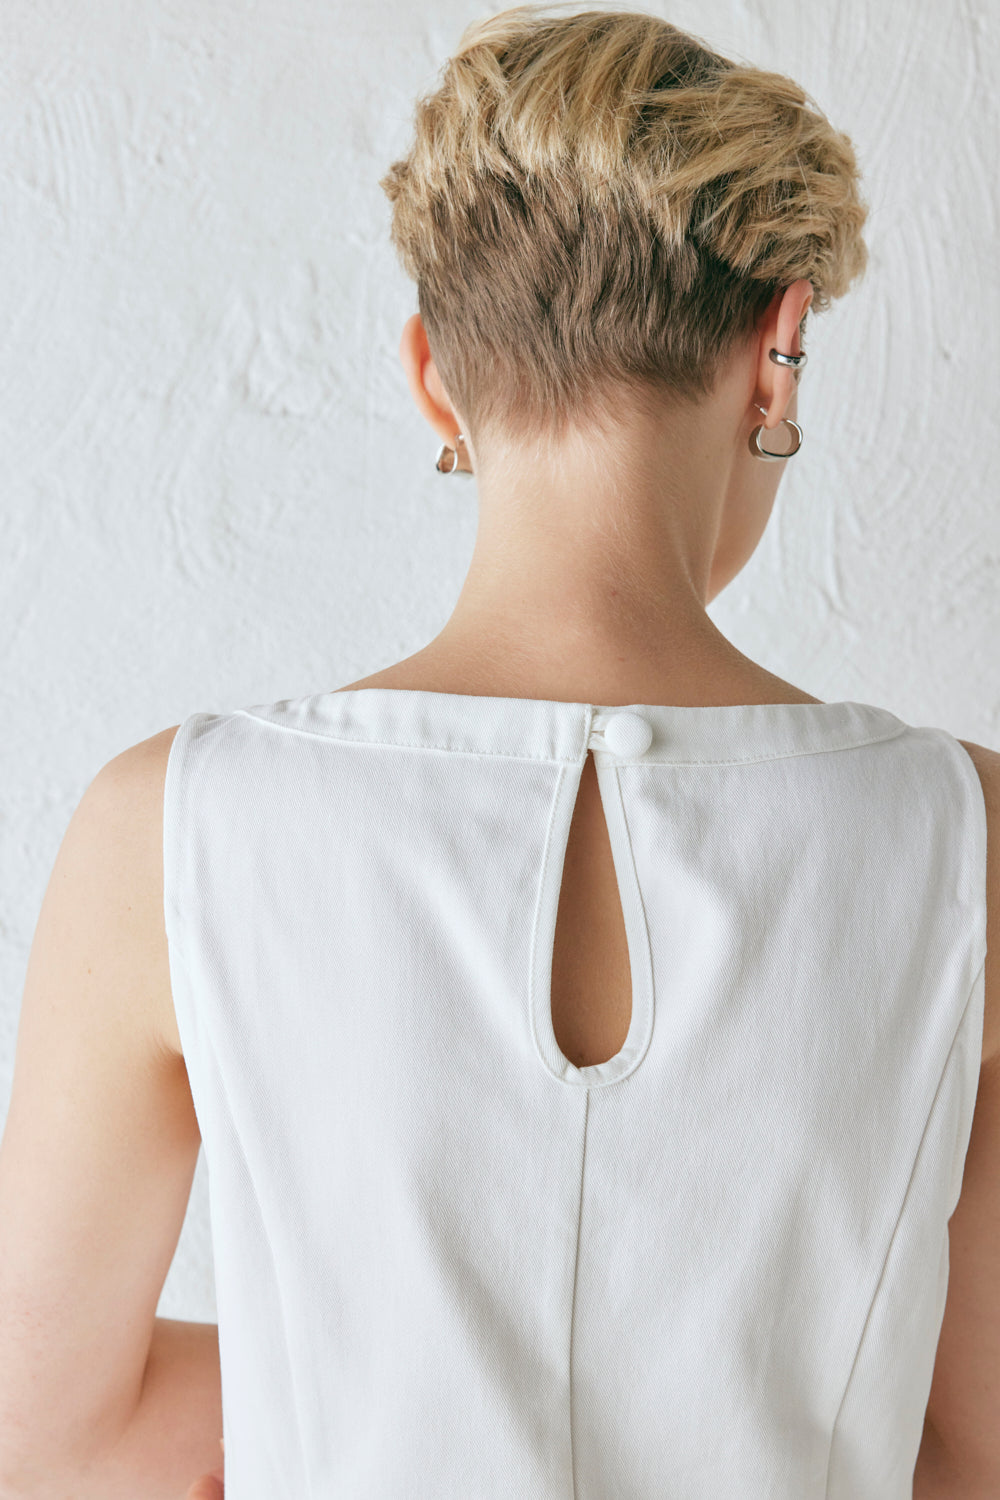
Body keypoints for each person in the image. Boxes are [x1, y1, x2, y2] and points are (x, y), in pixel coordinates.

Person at [0, 6, 996, 1498]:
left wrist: (323, 1383)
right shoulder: (968, 835)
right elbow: (972, 1444)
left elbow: (54, 1435)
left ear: (431, 373)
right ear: (777, 352)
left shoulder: (169, 826)